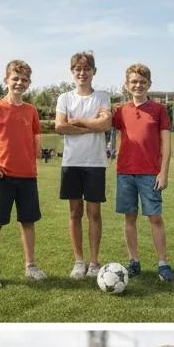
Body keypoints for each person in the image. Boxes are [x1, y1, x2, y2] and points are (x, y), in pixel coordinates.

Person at [0, 60, 45, 289]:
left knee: (28, 222)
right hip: (2, 176)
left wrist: (34, 156)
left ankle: (31, 266)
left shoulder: (31, 111)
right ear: (6, 80)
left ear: (29, 83)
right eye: (15, 78)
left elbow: (36, 139)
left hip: (27, 177)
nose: (19, 82)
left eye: (24, 79)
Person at [112, 63, 174, 283]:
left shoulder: (159, 110)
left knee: (155, 218)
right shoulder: (120, 111)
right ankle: (134, 261)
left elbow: (166, 144)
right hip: (125, 173)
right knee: (129, 218)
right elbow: (105, 126)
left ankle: (163, 264)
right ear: (127, 85)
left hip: (150, 174)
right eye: (133, 82)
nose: (138, 85)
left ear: (149, 84)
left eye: (142, 82)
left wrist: (164, 172)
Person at [55, 52, 112, 280]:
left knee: (94, 213)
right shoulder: (65, 98)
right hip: (71, 162)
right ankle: (79, 262)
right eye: (78, 69)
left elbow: (106, 123)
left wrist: (77, 122)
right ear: (72, 72)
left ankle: (94, 262)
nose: (82, 73)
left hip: (95, 163)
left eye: (87, 69)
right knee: (75, 213)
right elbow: (60, 126)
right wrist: (92, 126)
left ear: (94, 72)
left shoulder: (102, 96)